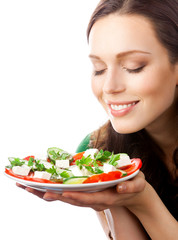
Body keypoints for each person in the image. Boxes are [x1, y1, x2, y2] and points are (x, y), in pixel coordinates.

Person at [17, 0, 178, 239]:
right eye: (99, 68)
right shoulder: (97, 153)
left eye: (134, 67)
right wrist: (114, 197)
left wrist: (145, 202)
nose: (110, 87)